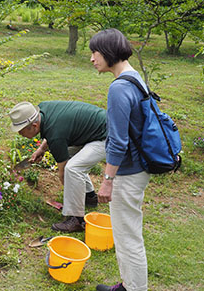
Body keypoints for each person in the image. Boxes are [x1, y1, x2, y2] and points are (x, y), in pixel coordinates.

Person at [90, 28, 151, 291]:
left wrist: (107, 181)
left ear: (109, 52)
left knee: (128, 238)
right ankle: (128, 285)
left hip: (128, 171)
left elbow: (118, 141)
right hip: (139, 167)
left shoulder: (119, 88)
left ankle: (134, 289)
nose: (92, 58)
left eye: (95, 52)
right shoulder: (135, 77)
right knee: (128, 232)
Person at [8, 100, 107, 232]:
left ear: (35, 125)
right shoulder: (43, 110)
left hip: (107, 136)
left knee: (72, 169)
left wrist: (70, 189)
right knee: (73, 161)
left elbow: (63, 174)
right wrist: (42, 149)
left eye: (21, 131)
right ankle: (89, 196)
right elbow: (52, 130)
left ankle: (76, 220)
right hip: (93, 131)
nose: (20, 134)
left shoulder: (55, 135)